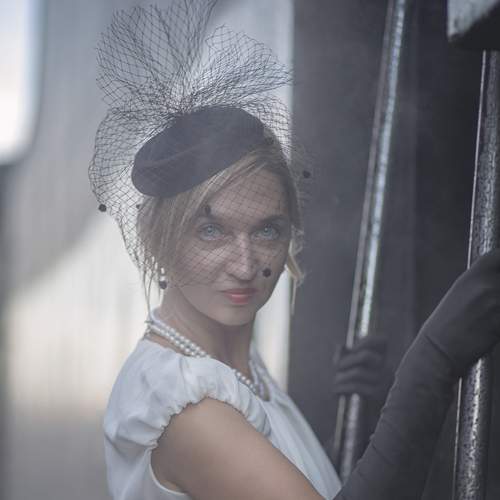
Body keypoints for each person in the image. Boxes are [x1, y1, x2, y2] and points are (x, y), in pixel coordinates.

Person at [90, 3, 500, 499]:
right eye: (211, 231)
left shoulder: (233, 370)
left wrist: (363, 422)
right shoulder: (183, 406)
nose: (246, 266)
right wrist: (432, 362)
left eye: (267, 230)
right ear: (158, 239)